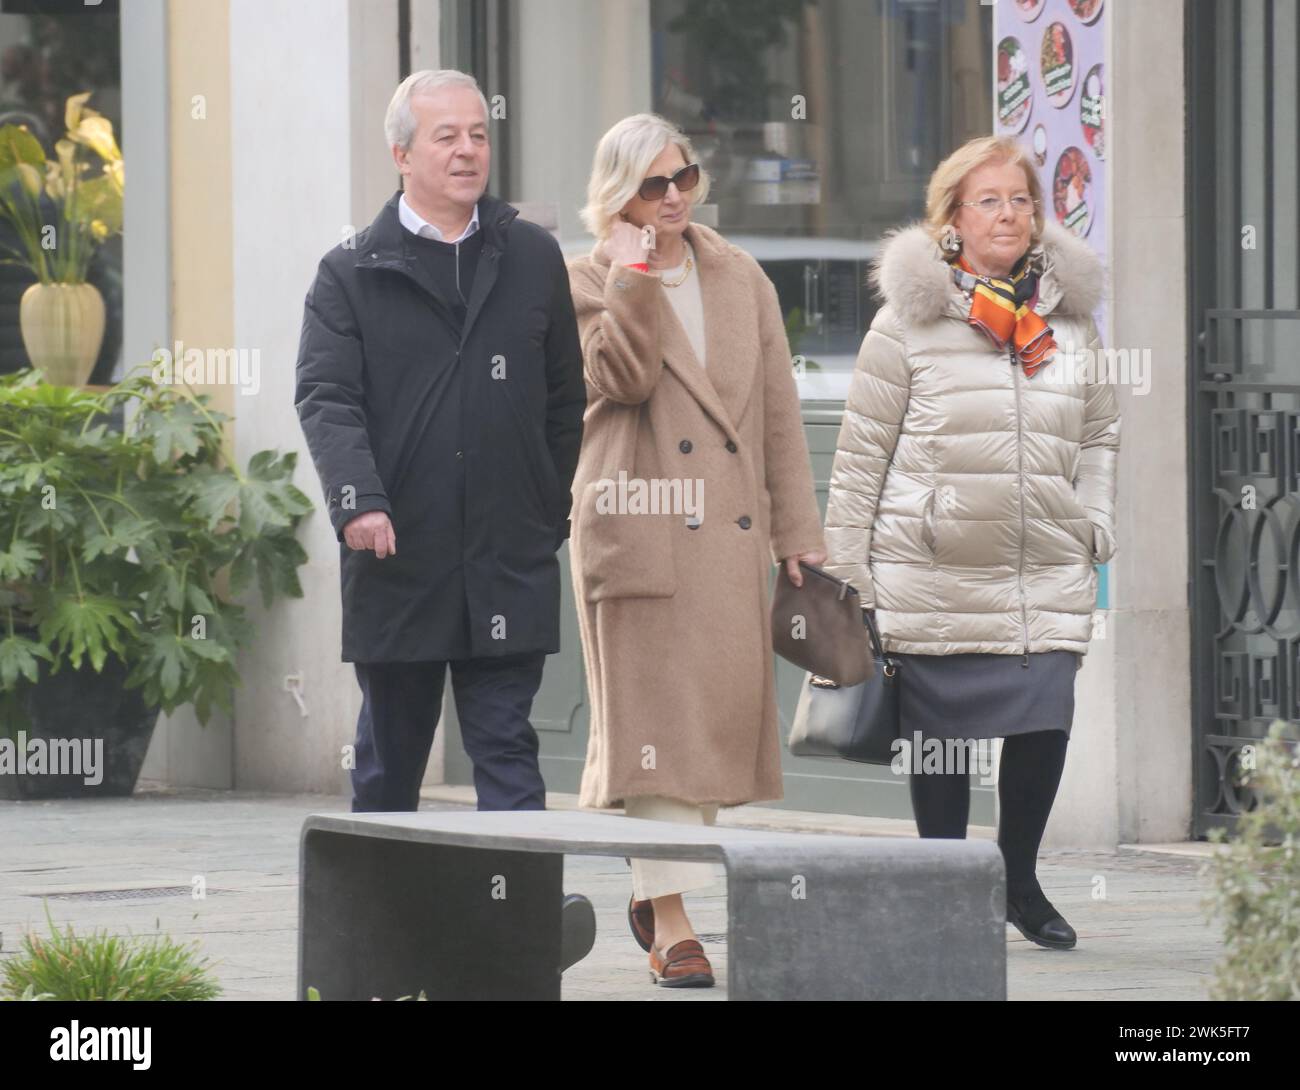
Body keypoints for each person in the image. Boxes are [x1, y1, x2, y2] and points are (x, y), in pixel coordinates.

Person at [823, 135, 1119, 950]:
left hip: (1043, 565)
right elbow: (859, 456)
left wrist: (1093, 522)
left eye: (1021, 199)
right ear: (952, 219)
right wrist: (851, 574)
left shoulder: (1071, 322)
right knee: (941, 735)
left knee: (1044, 716)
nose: (1009, 215)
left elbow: (1100, 439)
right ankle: (945, 890)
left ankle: (1017, 879)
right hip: (932, 566)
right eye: (988, 200)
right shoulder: (906, 324)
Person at [567, 114, 826, 987]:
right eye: (651, 185)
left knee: (708, 724)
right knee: (657, 731)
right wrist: (633, 272)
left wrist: (799, 533)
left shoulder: (738, 274)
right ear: (618, 194)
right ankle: (673, 919)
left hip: (724, 533)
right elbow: (623, 379)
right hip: (637, 522)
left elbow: (780, 414)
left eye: (683, 178)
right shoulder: (583, 278)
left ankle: (653, 886)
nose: (672, 197)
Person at [294, 69, 586, 814]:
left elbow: (564, 398)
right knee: (390, 768)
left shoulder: (530, 256)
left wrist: (544, 508)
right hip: (398, 557)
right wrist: (358, 503)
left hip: (506, 558)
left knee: (510, 760)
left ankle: (515, 926)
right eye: (446, 136)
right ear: (402, 154)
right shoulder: (350, 272)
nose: (468, 151)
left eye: (479, 134)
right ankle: (385, 929)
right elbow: (328, 400)